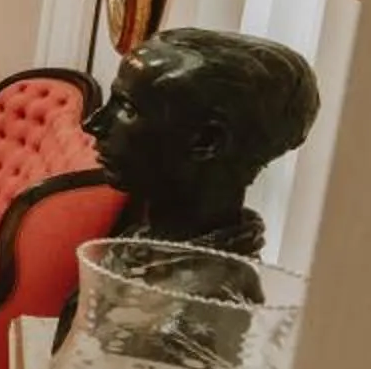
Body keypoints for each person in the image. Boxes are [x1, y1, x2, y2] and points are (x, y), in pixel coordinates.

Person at [87, 26, 322, 256]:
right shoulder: (145, 248)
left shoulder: (205, 290)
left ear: (207, 141)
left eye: (127, 108)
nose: (92, 124)